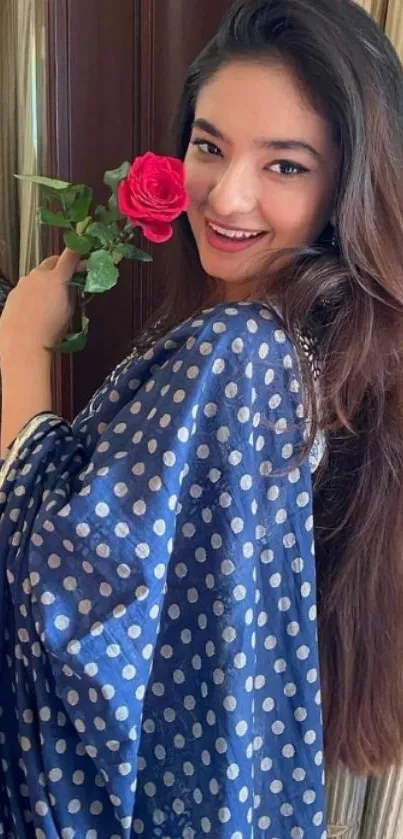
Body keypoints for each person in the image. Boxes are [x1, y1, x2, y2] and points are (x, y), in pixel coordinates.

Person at [1, 0, 403, 836]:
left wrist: (21, 348)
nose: (227, 194)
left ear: (345, 187)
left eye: (285, 166)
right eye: (209, 145)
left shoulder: (241, 352)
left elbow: (63, 587)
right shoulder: (308, 345)